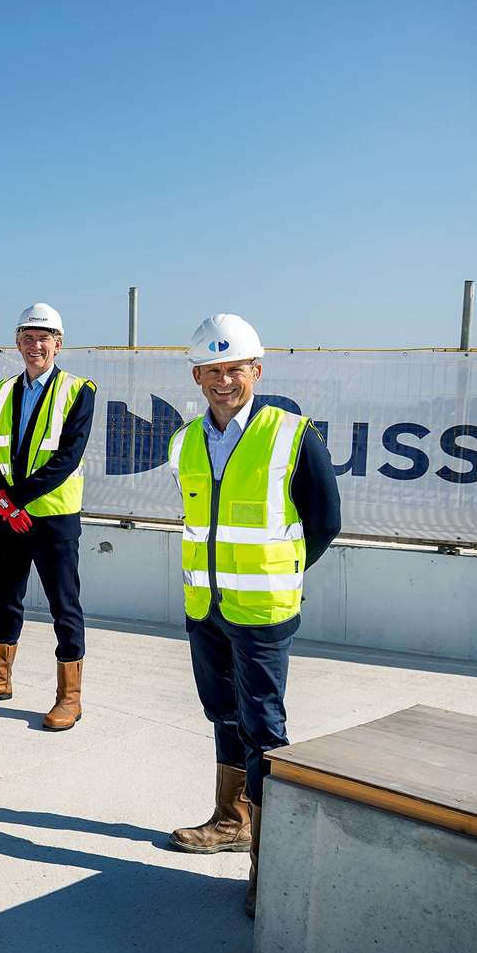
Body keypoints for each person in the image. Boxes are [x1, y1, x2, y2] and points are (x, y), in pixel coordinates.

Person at [165, 313, 341, 916]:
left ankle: (270, 867)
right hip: (204, 605)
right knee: (222, 713)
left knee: (264, 729)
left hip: (262, 610)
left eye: (234, 369)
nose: (223, 380)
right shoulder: (185, 440)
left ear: (256, 372)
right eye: (211, 370)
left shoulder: (291, 434)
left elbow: (324, 521)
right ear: (196, 375)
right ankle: (230, 819)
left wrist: (282, 572)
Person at [0, 302, 97, 731]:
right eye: (27, 338)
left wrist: (15, 498)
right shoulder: (3, 390)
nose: (35, 345)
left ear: (58, 344)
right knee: (6, 598)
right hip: (7, 517)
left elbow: (67, 457)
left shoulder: (79, 391)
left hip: (53, 518)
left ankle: (69, 699)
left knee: (64, 606)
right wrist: (3, 500)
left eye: (44, 338)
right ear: (17, 343)